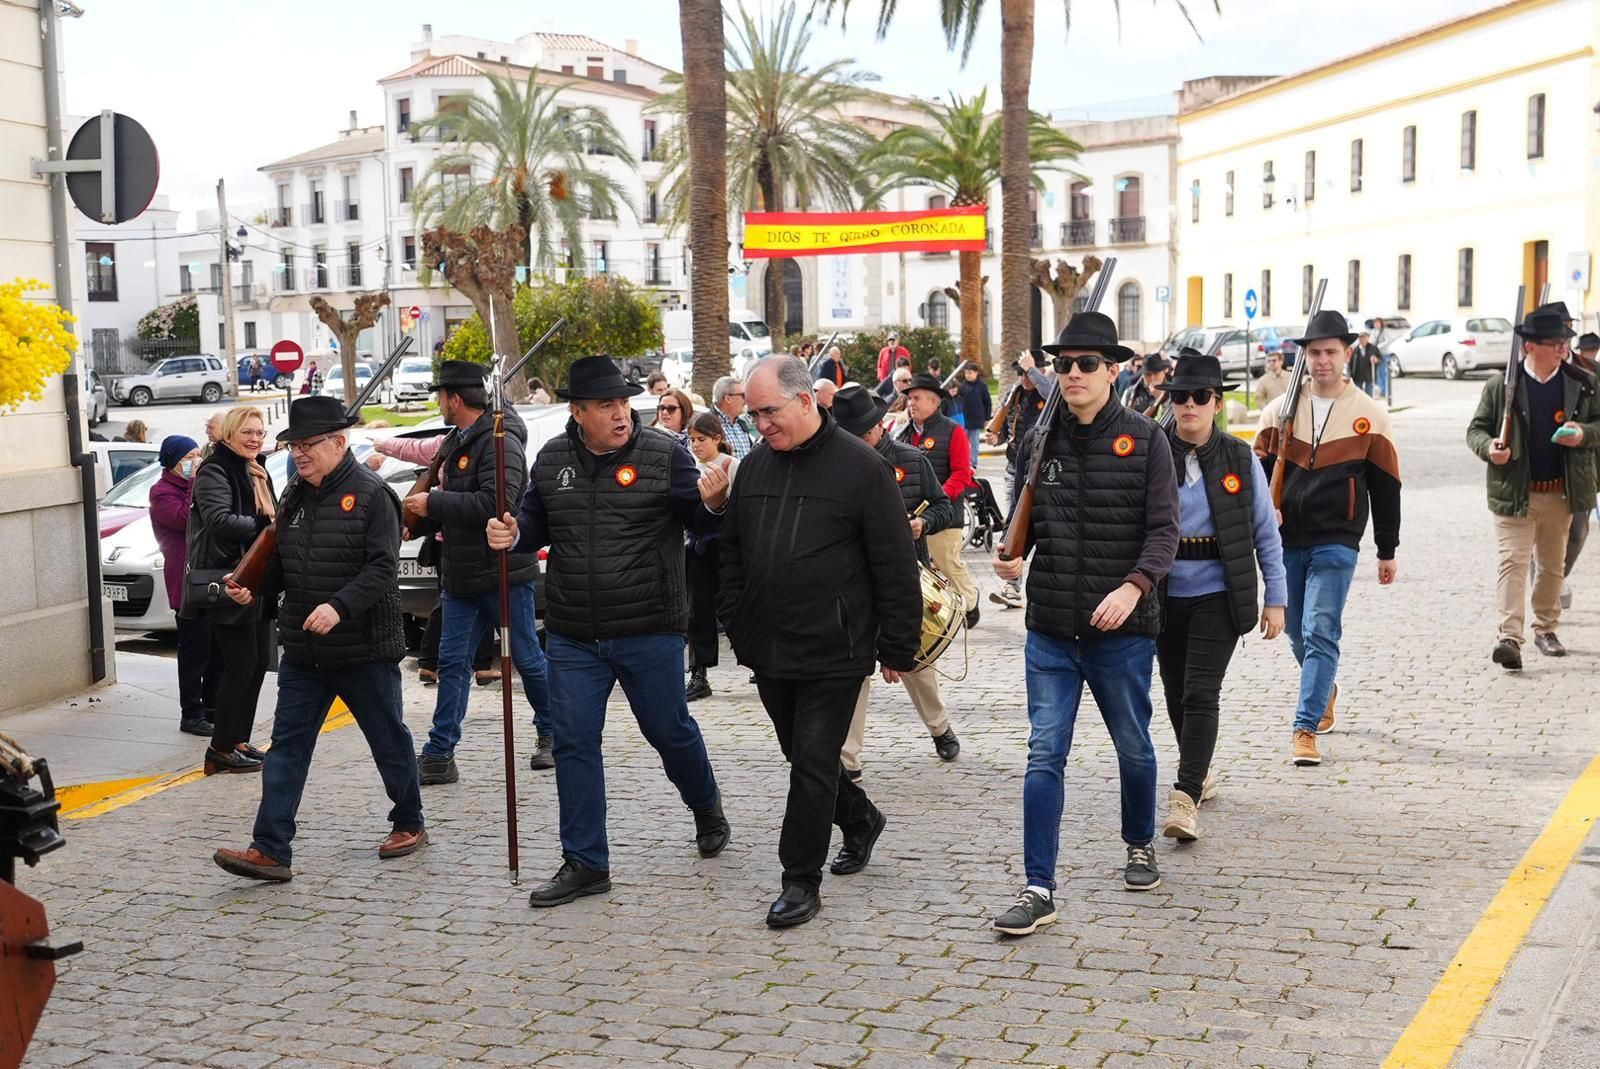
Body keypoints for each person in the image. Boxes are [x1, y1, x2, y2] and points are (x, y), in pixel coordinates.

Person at [485, 355, 731, 908]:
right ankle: (587, 862)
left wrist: (714, 504)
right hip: (574, 633)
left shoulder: (665, 454)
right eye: (606, 406)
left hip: (649, 626)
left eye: (623, 403)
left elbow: (701, 523)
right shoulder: (550, 461)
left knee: (668, 731)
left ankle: (706, 804)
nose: (620, 413)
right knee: (573, 742)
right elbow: (532, 526)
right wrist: (510, 533)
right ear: (578, 413)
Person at [989, 311, 1178, 937]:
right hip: (1049, 629)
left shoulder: (1148, 440)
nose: (1072, 374)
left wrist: (1134, 585)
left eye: (1086, 363)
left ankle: (1139, 842)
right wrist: (1011, 555)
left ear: (1114, 370)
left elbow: (1163, 533)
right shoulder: (1037, 441)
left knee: (1133, 745)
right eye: (1063, 364)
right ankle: (1038, 886)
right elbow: (1025, 520)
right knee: (1044, 753)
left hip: (1122, 632)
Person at [719, 357, 920, 928]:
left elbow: (894, 564)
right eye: (755, 414)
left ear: (805, 401)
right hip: (768, 642)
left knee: (810, 762)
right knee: (802, 754)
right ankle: (859, 819)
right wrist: (736, 617)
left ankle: (798, 879)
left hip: (837, 644)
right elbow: (731, 551)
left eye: (769, 412)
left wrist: (897, 646)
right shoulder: (755, 468)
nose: (761, 424)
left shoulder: (862, 468)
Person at [211, 396, 426, 882]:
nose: (298, 453)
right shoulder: (294, 494)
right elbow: (283, 563)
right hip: (305, 650)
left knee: (387, 738)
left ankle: (409, 820)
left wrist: (339, 606)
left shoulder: (373, 495)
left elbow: (382, 570)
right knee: (287, 747)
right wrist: (255, 587)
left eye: (307, 445)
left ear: (339, 442)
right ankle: (270, 849)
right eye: (293, 445)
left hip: (364, 648)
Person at [1255, 310, 1402, 765]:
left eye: (1330, 352)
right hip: (1287, 540)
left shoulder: (1370, 416)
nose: (1322, 360)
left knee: (1321, 629)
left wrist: (1386, 550)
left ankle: (1304, 727)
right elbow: (1256, 478)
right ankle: (1326, 688)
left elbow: (1386, 487)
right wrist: (1265, 508)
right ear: (1304, 355)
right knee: (1297, 633)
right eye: (1314, 352)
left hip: (1339, 539)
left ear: (1347, 353)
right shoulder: (1278, 412)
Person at [1154, 354, 1287, 841]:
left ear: (1217, 401)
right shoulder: (1153, 450)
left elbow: (1264, 532)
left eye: (1200, 397)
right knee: (1173, 692)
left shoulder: (1239, 456)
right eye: (1180, 397)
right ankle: (1201, 768)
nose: (1189, 405)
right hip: (1163, 593)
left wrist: (1277, 597)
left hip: (1219, 590)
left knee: (1200, 691)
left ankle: (1185, 797)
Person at [408, 361, 553, 784]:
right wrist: (425, 516)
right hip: (462, 574)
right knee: (452, 664)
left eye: (441, 395)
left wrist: (432, 505)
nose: (438, 402)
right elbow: (457, 499)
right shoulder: (458, 440)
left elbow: (498, 504)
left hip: (501, 572)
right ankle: (440, 752)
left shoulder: (499, 440)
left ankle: (552, 733)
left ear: (455, 398)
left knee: (527, 658)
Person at [831, 385, 961, 779]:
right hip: (853, 581)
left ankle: (939, 728)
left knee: (916, 661)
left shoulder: (912, 459)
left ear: (878, 427)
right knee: (854, 670)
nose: (857, 441)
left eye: (863, 434)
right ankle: (846, 757)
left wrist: (924, 523)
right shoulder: (833, 465)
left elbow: (945, 507)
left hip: (905, 574)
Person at [1466, 306, 1599, 670]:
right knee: (1513, 563)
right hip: (1514, 492)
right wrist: (1489, 447)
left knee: (1552, 567)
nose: (1563, 349)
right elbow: (1475, 430)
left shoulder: (1582, 382)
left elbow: (1599, 425)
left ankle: (1546, 628)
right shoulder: (1502, 386)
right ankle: (1509, 636)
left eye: (1564, 343)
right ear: (1530, 348)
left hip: (1561, 491)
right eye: (1555, 343)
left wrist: (1584, 434)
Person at [185, 407, 277, 775]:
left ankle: (237, 739)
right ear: (230, 435)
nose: (255, 439)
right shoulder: (216, 469)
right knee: (238, 664)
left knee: (255, 664)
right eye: (247, 432)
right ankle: (219, 748)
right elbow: (219, 521)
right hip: (228, 577)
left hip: (256, 575)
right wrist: (266, 525)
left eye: (260, 432)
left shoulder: (255, 469)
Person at [368, 435, 499, 687]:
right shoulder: (448, 443)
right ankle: (433, 661)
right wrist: (384, 445)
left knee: (469, 603)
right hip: (448, 539)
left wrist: (385, 445)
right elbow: (413, 448)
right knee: (451, 603)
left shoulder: (467, 443)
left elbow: (413, 449)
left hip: (459, 537)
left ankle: (475, 664)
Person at [898, 373, 979, 627]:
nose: (912, 403)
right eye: (910, 398)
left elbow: (962, 472)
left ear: (934, 402)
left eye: (918, 398)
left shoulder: (952, 431)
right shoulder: (903, 433)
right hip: (912, 516)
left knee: (946, 561)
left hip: (945, 514)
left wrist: (940, 497)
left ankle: (970, 601)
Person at [149, 434, 217, 737]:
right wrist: (195, 482)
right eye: (188, 457)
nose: (194, 462)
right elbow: (184, 519)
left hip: (208, 578)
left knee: (216, 650)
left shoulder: (193, 485)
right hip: (185, 582)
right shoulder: (161, 492)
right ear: (173, 461)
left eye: (197, 455)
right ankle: (191, 713)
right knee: (194, 654)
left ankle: (212, 708)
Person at [985, 353, 1049, 611]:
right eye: (1021, 373)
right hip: (1016, 467)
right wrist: (995, 439)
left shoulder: (1048, 392)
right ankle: (1011, 585)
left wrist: (1033, 370)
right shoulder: (1015, 395)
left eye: (1028, 373)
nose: (1024, 378)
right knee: (1015, 523)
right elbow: (1005, 428)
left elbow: (1054, 395)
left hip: (1045, 469)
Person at [685, 412, 738, 701]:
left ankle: (754, 659)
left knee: (734, 606)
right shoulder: (689, 468)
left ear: (717, 438)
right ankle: (699, 672)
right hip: (698, 548)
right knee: (699, 612)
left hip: (726, 547)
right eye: (692, 439)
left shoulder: (732, 466)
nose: (695, 445)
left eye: (701, 439)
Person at [955, 363, 992, 469]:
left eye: (970, 373)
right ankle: (963, 462)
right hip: (964, 419)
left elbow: (987, 402)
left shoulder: (982, 386)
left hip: (977, 418)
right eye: (966, 373)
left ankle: (973, 463)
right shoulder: (962, 387)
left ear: (976, 373)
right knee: (963, 443)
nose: (968, 375)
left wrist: (987, 418)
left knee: (974, 442)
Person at [714, 375, 756, 459]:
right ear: (728, 398)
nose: (746, 400)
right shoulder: (708, 424)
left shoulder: (741, 424)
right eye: (743, 395)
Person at [1121, 353, 1171, 418]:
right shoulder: (1131, 392)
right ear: (1143, 375)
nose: (1152, 378)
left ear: (1163, 373)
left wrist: (1160, 398)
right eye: (1148, 374)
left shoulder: (1173, 392)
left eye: (1156, 373)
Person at [1349, 331, 1379, 397]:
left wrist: (1376, 360)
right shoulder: (1355, 350)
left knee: (1369, 394)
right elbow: (1350, 363)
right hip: (1357, 376)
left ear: (1367, 338)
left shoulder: (1373, 348)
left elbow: (1380, 359)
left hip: (1369, 375)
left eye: (1364, 338)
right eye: (1361, 338)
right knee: (1357, 394)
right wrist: (1350, 374)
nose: (1362, 340)